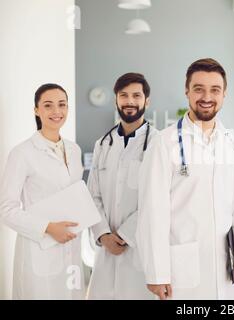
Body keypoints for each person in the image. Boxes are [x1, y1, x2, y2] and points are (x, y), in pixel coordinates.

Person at [137, 58, 234, 300]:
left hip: (224, 264)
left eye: (215, 90)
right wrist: (157, 274)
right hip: (181, 265)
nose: (206, 97)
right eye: (199, 88)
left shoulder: (232, 142)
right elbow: (152, 212)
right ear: (187, 90)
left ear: (224, 94)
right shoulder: (164, 143)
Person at [0, 83, 85, 299]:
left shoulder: (74, 150)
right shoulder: (22, 153)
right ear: (36, 110)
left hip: (70, 249)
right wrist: (47, 228)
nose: (56, 111)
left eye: (62, 105)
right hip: (38, 250)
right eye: (48, 105)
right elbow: (6, 209)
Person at [86, 73, 157, 299]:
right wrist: (103, 234)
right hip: (106, 249)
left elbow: (157, 198)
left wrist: (125, 235)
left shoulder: (158, 144)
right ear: (116, 100)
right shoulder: (102, 144)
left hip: (139, 249)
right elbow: (93, 195)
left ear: (147, 101)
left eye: (136, 95)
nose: (129, 101)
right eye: (123, 95)